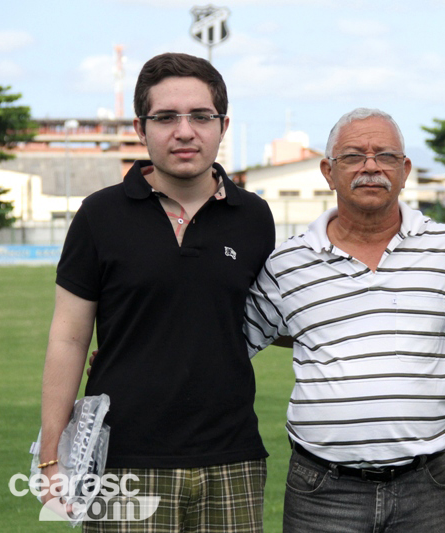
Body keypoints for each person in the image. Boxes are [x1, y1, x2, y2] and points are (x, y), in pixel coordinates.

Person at [243, 107, 445, 533]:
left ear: (405, 170)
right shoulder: (287, 263)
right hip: (322, 491)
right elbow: (235, 340)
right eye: (353, 156)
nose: (371, 166)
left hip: (424, 489)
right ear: (328, 172)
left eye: (385, 155)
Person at [39, 52, 274, 531]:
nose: (184, 131)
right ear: (140, 128)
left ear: (223, 126)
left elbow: (271, 317)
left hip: (233, 460)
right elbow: (68, 339)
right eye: (166, 117)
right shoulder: (99, 216)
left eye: (200, 116)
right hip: (122, 462)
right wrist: (50, 458)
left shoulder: (254, 217)